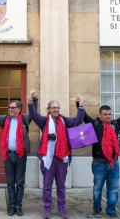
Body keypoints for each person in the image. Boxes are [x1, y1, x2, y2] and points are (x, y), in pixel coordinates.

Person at [28, 90, 84, 219]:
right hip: (48, 159)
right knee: (47, 186)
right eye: (53, 108)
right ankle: (47, 209)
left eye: (58, 108)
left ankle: (61, 209)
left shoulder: (64, 120)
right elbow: (33, 114)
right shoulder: (43, 121)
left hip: (62, 158)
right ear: (49, 109)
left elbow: (78, 120)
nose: (56, 110)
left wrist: (80, 105)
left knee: (61, 186)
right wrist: (31, 101)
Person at [82, 93, 120, 219]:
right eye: (105, 114)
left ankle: (111, 210)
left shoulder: (116, 125)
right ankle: (97, 209)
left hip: (114, 163)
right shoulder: (95, 124)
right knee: (98, 188)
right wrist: (79, 104)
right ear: (100, 115)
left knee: (113, 188)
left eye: (109, 114)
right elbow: (84, 116)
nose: (108, 116)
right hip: (99, 163)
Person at [0, 99, 33, 216]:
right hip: (8, 155)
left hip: (21, 155)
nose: (10, 109)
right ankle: (11, 206)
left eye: (13, 107)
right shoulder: (5, 119)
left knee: (20, 182)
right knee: (10, 182)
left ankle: (18, 206)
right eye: (9, 107)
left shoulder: (25, 119)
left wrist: (33, 100)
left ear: (19, 109)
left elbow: (33, 112)